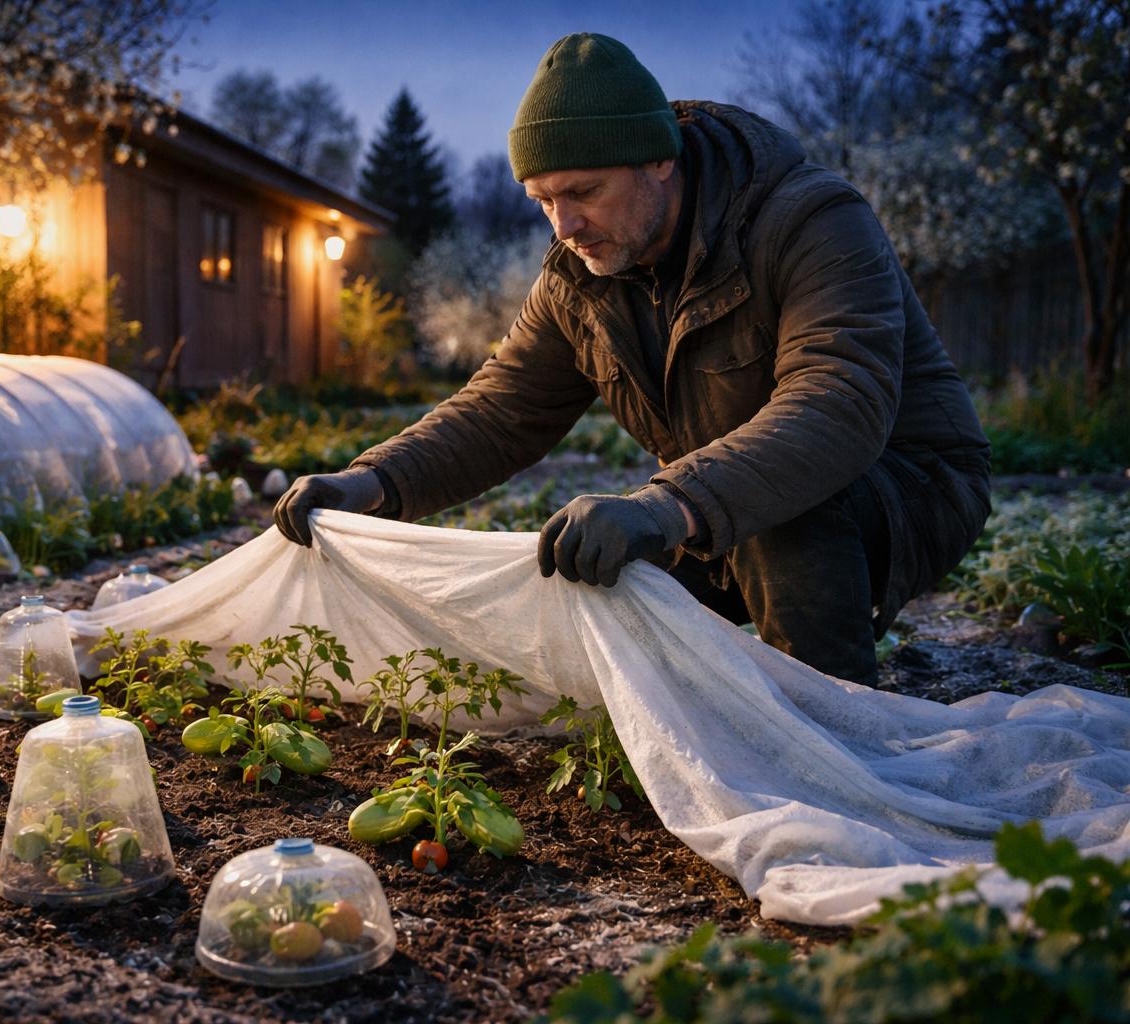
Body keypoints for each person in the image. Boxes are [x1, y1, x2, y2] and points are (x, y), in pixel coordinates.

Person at [273, 32, 990, 686]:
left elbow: (839, 403)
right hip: (717, 498)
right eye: (543, 200)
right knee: (597, 576)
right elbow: (498, 411)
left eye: (585, 192)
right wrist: (368, 482)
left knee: (781, 521)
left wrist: (669, 505)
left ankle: (828, 727)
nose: (566, 224)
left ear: (660, 160)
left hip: (905, 487)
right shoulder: (580, 278)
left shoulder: (808, 222)